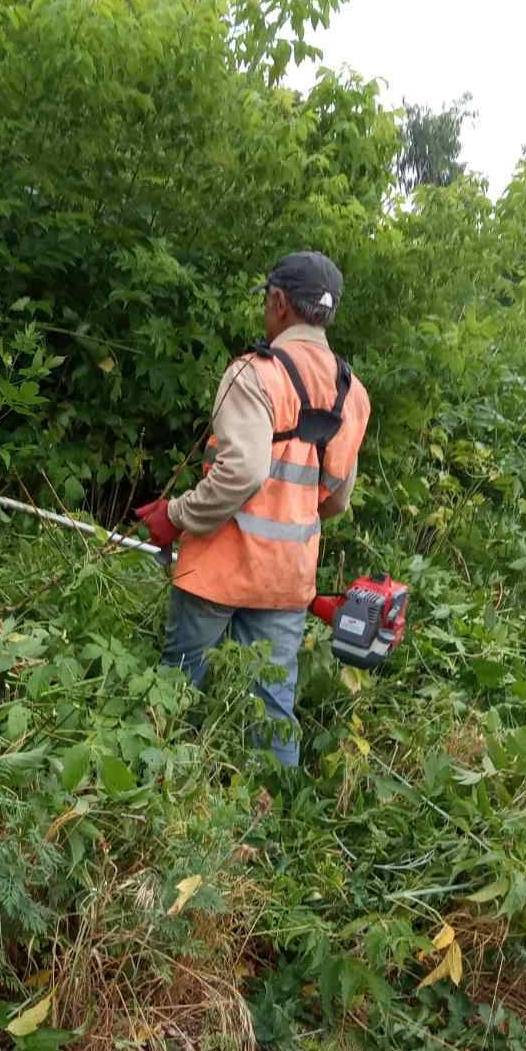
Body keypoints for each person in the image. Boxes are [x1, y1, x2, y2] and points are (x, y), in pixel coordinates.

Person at [135, 251, 371, 767]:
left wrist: (174, 516)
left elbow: (240, 473)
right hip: (287, 578)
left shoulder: (255, 373)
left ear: (279, 302)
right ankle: (275, 805)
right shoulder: (352, 394)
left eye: (268, 300)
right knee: (271, 707)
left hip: (216, 569)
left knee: (177, 690)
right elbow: (336, 499)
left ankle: (158, 790)